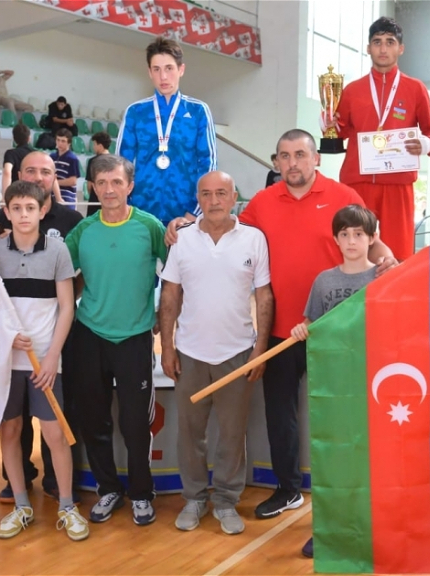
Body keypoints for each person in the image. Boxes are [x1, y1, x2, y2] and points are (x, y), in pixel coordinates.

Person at [165, 129, 397, 524]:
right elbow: (224, 226)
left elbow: (371, 241)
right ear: (276, 162)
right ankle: (288, 489)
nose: (293, 163)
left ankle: (351, 493)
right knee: (280, 415)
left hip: (335, 331)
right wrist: (183, 223)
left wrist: (388, 257)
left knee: (342, 413)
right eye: (285, 156)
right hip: (282, 332)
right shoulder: (262, 202)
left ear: (316, 158)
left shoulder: (344, 195)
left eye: (300, 155)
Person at [160, 170, 273, 536]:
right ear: (198, 198)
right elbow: (170, 295)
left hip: (237, 354)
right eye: (206, 194)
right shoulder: (182, 238)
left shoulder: (254, 239)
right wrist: (167, 347)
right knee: (190, 433)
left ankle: (225, 500)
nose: (214, 201)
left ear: (234, 196)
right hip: (190, 354)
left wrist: (260, 348)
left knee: (232, 434)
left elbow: (264, 296)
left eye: (221, 193)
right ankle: (194, 498)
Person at [65, 154, 167, 527]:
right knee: (94, 419)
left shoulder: (149, 227)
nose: (109, 189)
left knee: (135, 423)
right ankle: (108, 489)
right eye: (102, 183)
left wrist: (161, 316)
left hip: (134, 339)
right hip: (89, 335)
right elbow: (59, 274)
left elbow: (176, 273)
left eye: (117, 182)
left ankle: (141, 493)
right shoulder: (83, 232)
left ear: (130, 186)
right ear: (92, 187)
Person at [0, 152, 83, 504]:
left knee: (55, 433)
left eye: (30, 208)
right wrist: (5, 338)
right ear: (6, 213)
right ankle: (21, 502)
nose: (24, 214)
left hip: (46, 362)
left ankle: (66, 503)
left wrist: (52, 356)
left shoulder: (58, 251)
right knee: (10, 429)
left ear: (42, 210)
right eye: (17, 208)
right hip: (7, 362)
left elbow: (67, 306)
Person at [289, 203, 379, 558]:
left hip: (372, 385)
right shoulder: (324, 281)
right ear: (336, 240)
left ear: (372, 238)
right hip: (334, 386)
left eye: (359, 234)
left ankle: (369, 528)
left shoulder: (384, 277)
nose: (352, 241)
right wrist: (301, 330)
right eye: (345, 234)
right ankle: (329, 529)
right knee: (334, 459)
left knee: (368, 460)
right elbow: (313, 325)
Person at [326, 17, 430, 262]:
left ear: (401, 48)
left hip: (398, 184)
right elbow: (340, 131)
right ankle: (354, 288)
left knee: (398, 254)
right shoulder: (352, 90)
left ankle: (396, 288)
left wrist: (426, 144)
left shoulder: (415, 89)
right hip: (358, 182)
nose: (383, 48)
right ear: (368, 48)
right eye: (377, 42)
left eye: (390, 42)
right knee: (353, 248)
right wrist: (328, 123)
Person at [117, 36, 217, 226]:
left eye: (169, 68)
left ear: (181, 70)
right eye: (157, 69)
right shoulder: (136, 112)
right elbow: (121, 165)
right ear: (149, 72)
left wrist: (192, 215)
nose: (163, 76)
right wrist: (128, 209)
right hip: (140, 216)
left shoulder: (198, 111)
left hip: (186, 217)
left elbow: (208, 165)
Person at [50, 128, 80, 206]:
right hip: (52, 195)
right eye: (58, 140)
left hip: (67, 196)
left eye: (63, 141)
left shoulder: (72, 159)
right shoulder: (52, 157)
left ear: (69, 143)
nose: (60, 143)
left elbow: (73, 181)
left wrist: (55, 183)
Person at [84, 131, 111, 217]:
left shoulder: (93, 161)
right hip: (110, 198)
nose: (93, 147)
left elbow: (89, 185)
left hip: (95, 199)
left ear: (100, 145)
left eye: (94, 144)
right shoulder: (116, 161)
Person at [1, 123, 34, 190]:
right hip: (33, 190)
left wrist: (5, 193)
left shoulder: (11, 153)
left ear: (14, 138)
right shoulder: (36, 153)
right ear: (29, 138)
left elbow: (7, 171)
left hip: (16, 190)